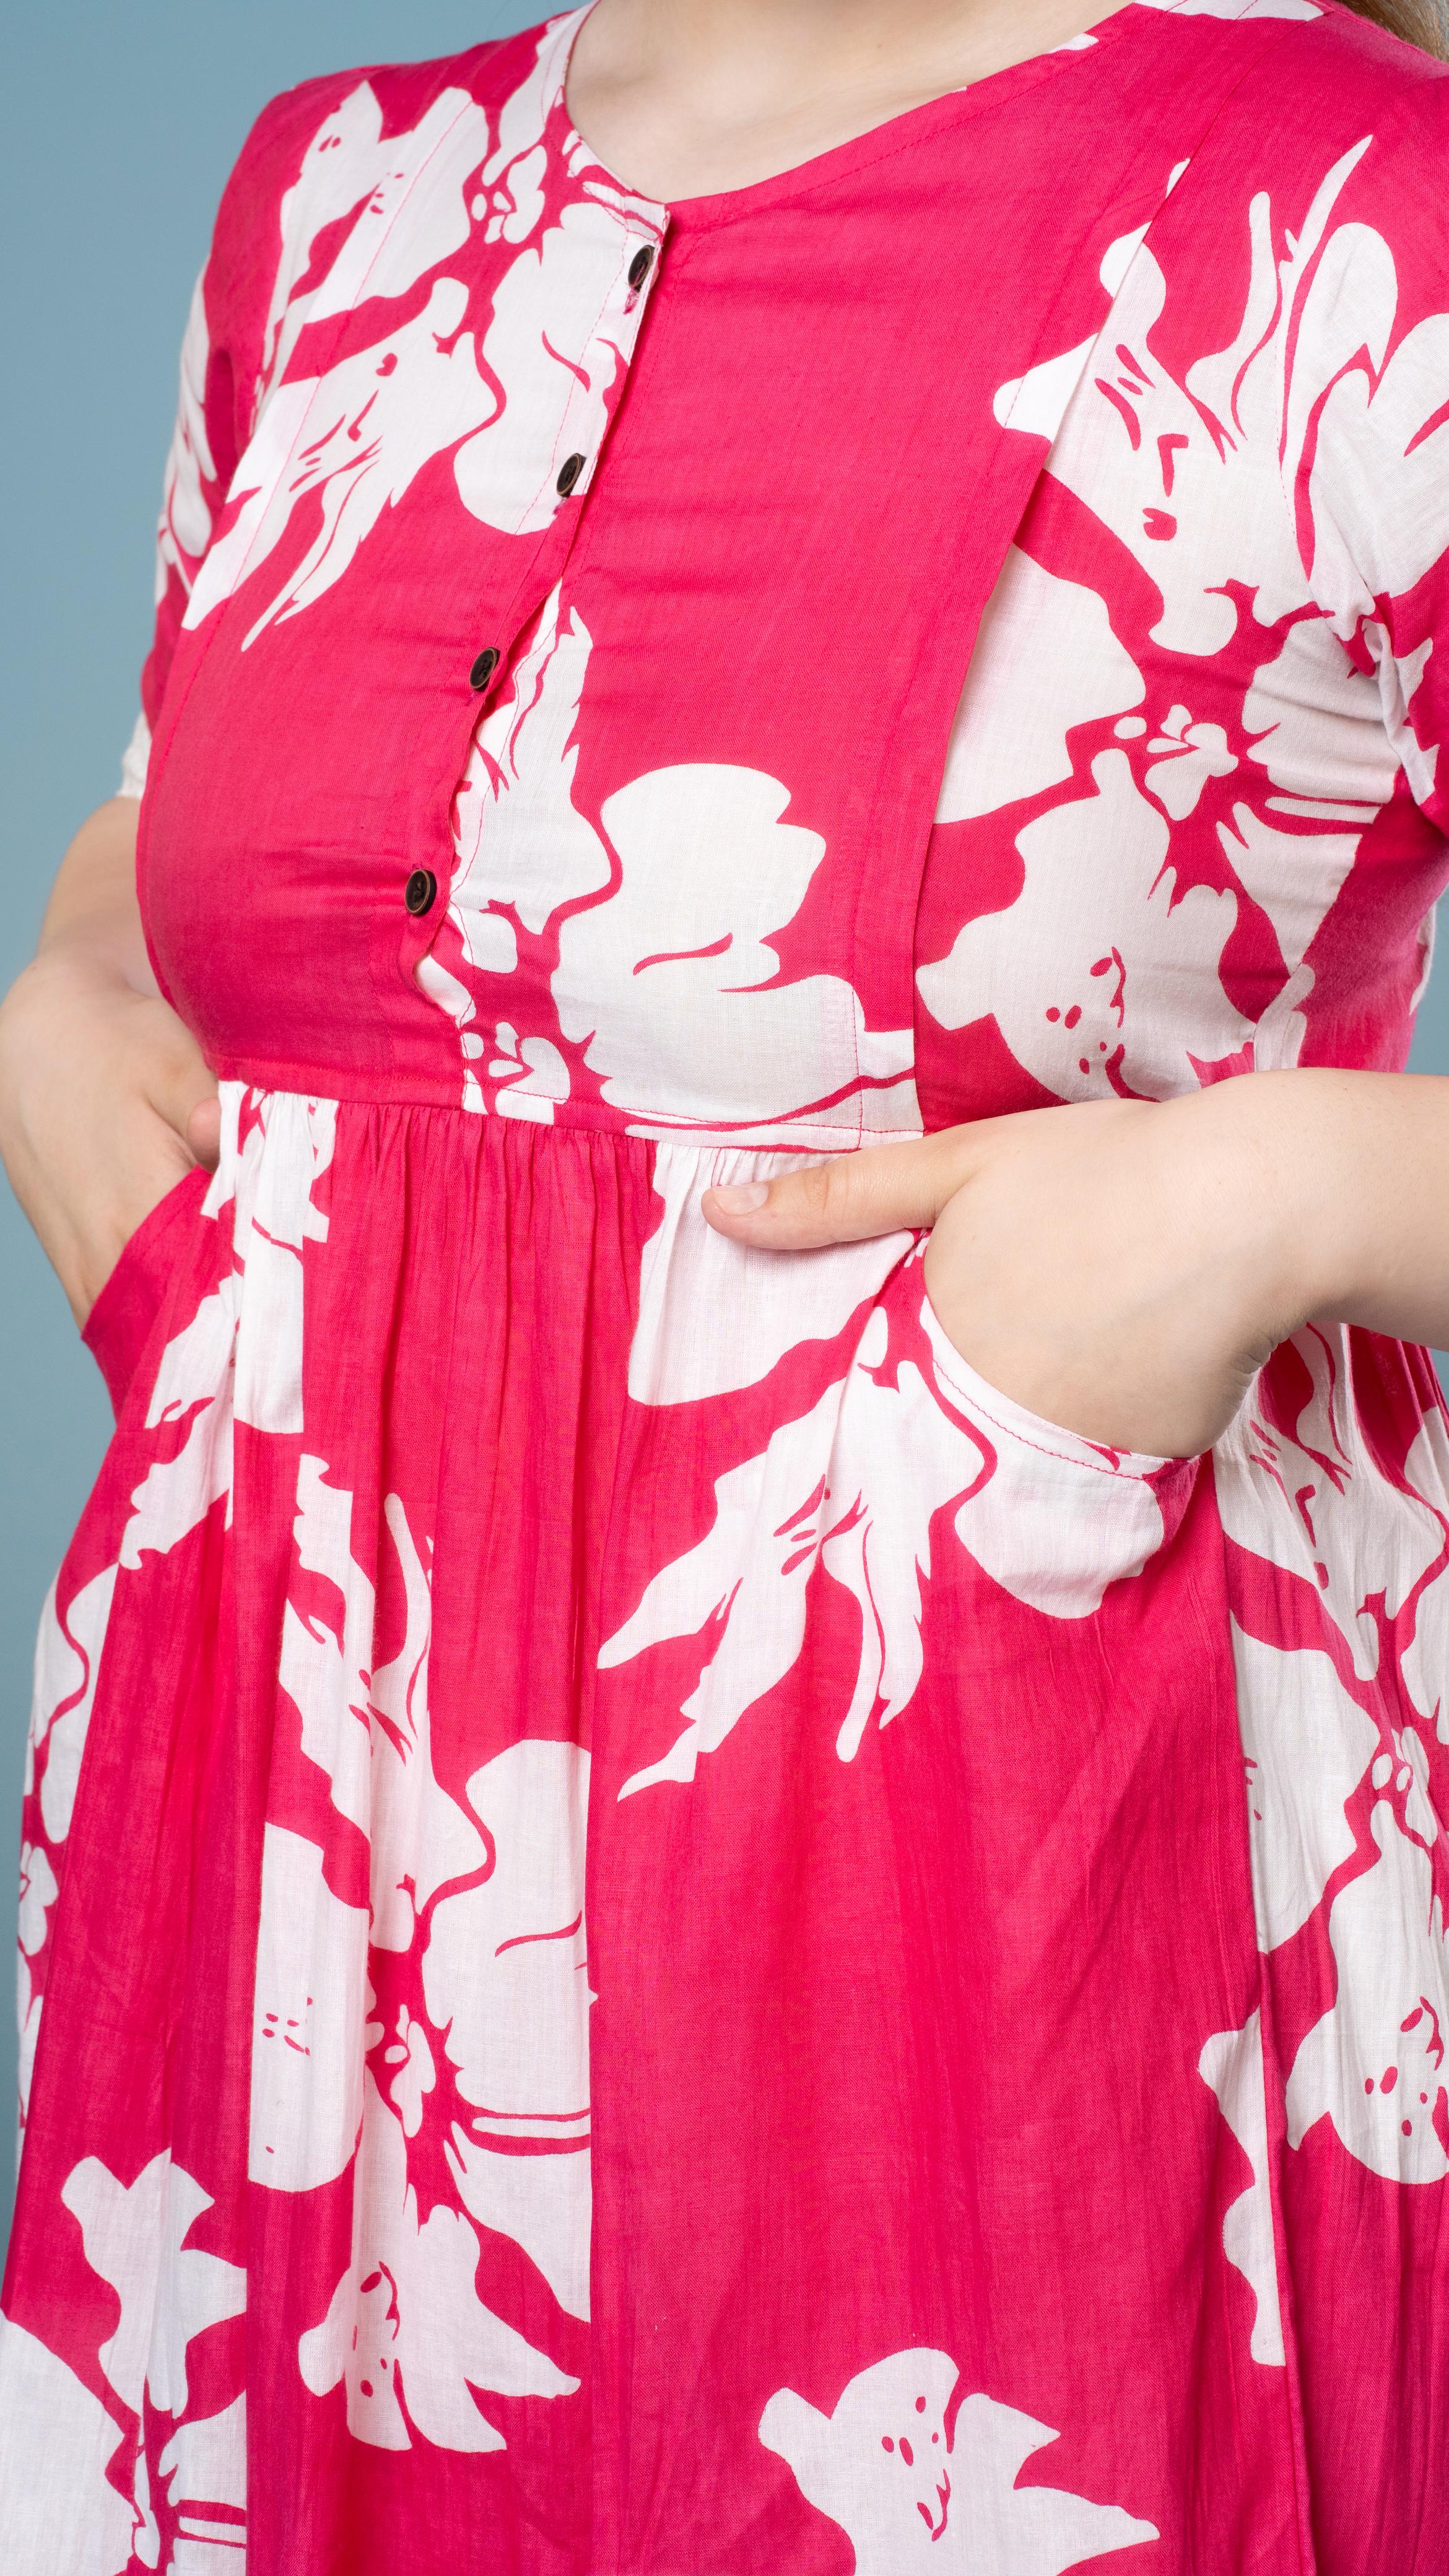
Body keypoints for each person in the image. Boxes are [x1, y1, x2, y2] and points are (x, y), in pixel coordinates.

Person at [1, 0, 1447, 2563]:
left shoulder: (1361, 219)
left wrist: (1278, 1196)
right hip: (280, 1921)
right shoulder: (333, 193)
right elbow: (193, 815)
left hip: (1021, 1930)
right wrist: (74, 994)